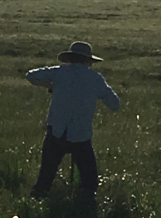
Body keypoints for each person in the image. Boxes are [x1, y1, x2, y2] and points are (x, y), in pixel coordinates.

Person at [25, 41, 121, 202]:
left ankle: (34, 205)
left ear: (70, 58)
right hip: (80, 134)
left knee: (46, 176)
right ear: (87, 60)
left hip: (56, 131)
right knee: (89, 181)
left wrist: (51, 86)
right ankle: (85, 206)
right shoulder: (95, 79)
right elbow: (115, 104)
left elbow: (31, 75)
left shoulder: (59, 73)